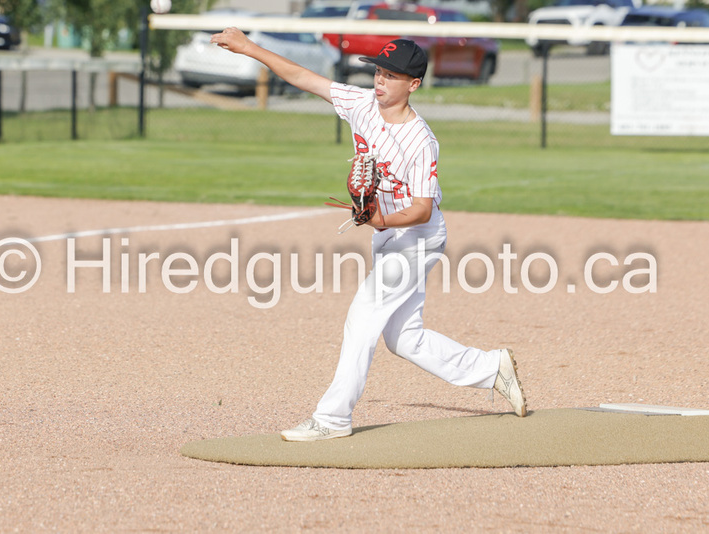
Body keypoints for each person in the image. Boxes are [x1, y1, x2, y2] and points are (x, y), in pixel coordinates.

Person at [210, 28, 528, 442]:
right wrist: (250, 48)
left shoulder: (421, 141)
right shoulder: (361, 104)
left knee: (363, 316)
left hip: (416, 238)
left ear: (413, 84)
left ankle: (333, 417)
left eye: (391, 75)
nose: (380, 80)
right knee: (403, 338)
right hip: (387, 234)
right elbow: (305, 78)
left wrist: (380, 222)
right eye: (378, 71)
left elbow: (422, 208)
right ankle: (491, 367)